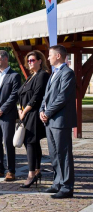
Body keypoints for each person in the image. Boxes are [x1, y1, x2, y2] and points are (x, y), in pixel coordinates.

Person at [40, 45, 76, 199]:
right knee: (54, 154)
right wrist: (42, 109)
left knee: (64, 154)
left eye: (50, 55)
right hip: (50, 121)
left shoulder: (68, 73)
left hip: (60, 121)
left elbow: (63, 97)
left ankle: (67, 187)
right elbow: (46, 96)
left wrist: (47, 112)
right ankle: (57, 183)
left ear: (59, 56)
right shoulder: (53, 73)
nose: (48, 58)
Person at [0, 50, 21, 181]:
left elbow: (14, 95)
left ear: (6, 59)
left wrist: (2, 109)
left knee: (8, 142)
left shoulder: (14, 76)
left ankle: (11, 170)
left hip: (7, 115)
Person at [17, 50, 50, 188]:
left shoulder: (42, 75)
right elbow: (20, 95)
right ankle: (37, 171)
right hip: (25, 114)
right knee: (31, 143)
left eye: (32, 60)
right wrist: (19, 109)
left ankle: (31, 174)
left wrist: (24, 112)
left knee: (31, 143)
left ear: (40, 61)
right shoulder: (30, 76)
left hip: (34, 114)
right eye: (28, 61)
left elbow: (37, 97)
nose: (29, 63)